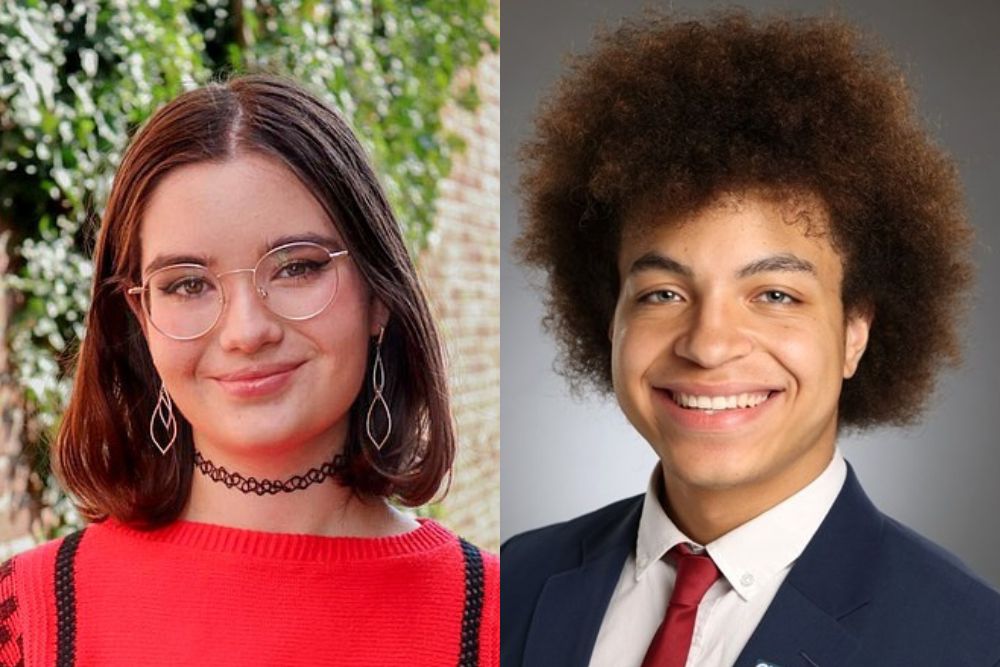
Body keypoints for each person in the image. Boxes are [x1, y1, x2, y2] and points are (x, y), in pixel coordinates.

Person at [502, 10, 1000, 667]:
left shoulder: (968, 639)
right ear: (610, 314)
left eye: (774, 296)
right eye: (664, 294)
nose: (708, 345)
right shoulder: (510, 582)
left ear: (856, 332)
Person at [0, 74, 498, 666]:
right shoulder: (28, 617)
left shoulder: (507, 618)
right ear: (142, 317)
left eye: (296, 268)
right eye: (188, 283)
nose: (245, 331)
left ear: (379, 293)